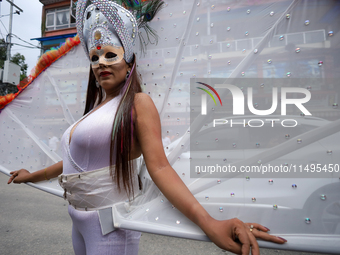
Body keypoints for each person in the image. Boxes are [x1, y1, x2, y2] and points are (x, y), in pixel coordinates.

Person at [7, 1, 287, 254]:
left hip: (110, 228)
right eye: (94, 58)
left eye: (109, 55)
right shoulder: (94, 111)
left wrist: (209, 222)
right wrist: (31, 177)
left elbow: (160, 167)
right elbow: (72, 163)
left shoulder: (138, 103)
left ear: (129, 64)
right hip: (77, 220)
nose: (100, 63)